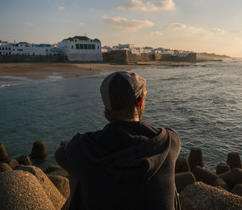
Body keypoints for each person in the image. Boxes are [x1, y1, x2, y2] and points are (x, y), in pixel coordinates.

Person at [55, 70, 181, 210]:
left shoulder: (81, 147)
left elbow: (60, 155)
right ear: (140, 102)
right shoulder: (169, 141)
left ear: (106, 106)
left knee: (79, 177)